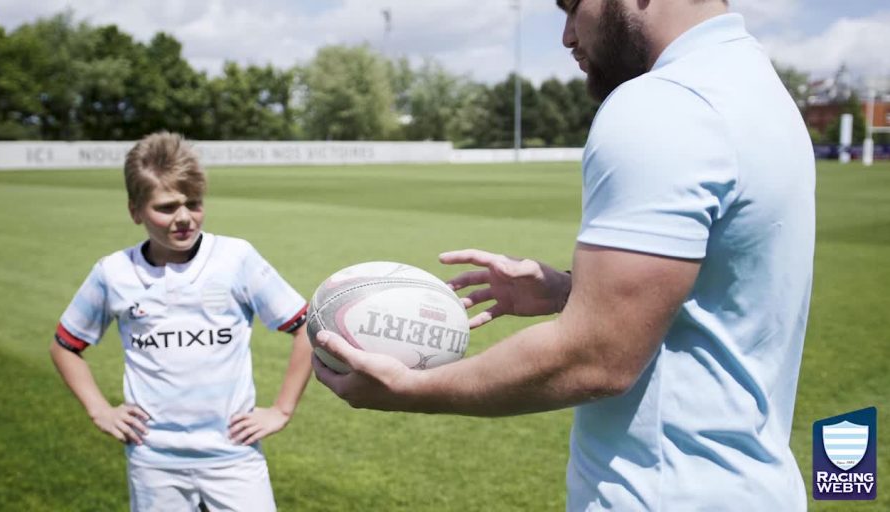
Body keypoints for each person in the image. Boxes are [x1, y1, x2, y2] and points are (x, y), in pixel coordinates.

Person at [312, 0, 815, 510]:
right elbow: (726, 289)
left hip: (666, 494)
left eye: (574, 7)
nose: (567, 36)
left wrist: (411, 389)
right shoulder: (755, 88)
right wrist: (568, 291)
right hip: (751, 484)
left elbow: (597, 357)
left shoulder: (666, 103)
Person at [50, 132, 313, 512]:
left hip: (233, 457)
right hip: (153, 461)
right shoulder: (114, 273)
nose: (185, 218)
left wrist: (281, 410)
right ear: (135, 210)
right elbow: (65, 346)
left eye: (194, 203)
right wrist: (100, 410)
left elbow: (306, 327)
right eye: (167, 207)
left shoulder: (235, 258)